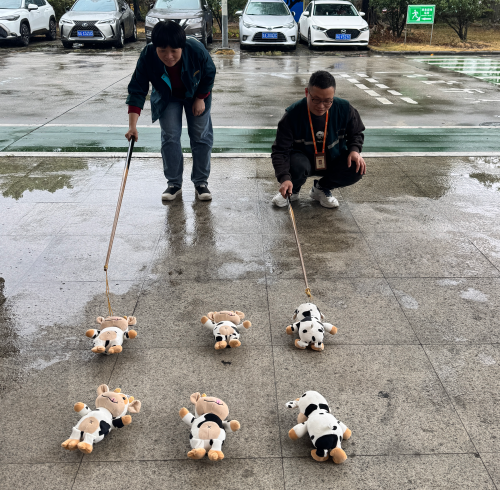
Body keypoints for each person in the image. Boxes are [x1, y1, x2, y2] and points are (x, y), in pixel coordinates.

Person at [125, 21, 216, 201]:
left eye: (174, 51)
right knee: (170, 137)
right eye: (162, 51)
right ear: (155, 48)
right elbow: (137, 90)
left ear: (182, 47)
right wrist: (132, 126)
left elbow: (209, 73)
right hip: (167, 96)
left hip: (196, 92)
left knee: (200, 136)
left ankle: (201, 182)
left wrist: (200, 98)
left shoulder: (195, 49)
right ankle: (174, 183)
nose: (169, 56)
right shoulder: (148, 55)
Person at [271, 70, 366, 209]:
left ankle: (321, 188)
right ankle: (292, 189)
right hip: (303, 161)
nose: (321, 106)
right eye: (315, 99)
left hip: (332, 158)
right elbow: (280, 151)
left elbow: (356, 132)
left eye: (328, 101)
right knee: (297, 165)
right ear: (306, 92)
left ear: (333, 95)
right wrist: (284, 178)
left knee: (357, 167)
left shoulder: (345, 109)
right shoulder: (292, 115)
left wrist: (354, 150)